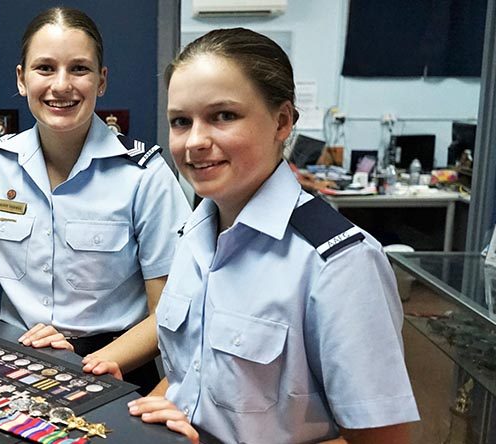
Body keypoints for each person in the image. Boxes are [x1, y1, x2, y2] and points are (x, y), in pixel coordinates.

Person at [126, 28, 420, 443]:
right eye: (180, 121)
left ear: (282, 121)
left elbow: (383, 441)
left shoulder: (337, 264)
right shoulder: (196, 231)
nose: (194, 141)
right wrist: (167, 403)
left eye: (223, 116)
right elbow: (191, 375)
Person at [0, 7, 190, 394]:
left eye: (79, 69)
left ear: (102, 80)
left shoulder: (145, 175)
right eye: (45, 68)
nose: (61, 85)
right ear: (22, 79)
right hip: (16, 361)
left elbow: (169, 314)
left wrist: (86, 362)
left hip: (115, 368)